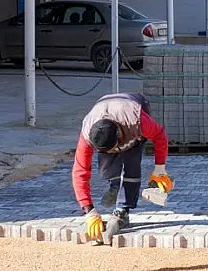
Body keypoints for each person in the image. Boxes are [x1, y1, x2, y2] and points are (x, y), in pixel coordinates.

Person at [72, 92, 172, 245]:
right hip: (105, 108)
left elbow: (160, 135)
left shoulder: (138, 121)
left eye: (113, 148)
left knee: (131, 164)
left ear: (118, 137)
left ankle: (123, 210)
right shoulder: (87, 134)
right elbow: (80, 171)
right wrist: (88, 211)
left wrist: (159, 169)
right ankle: (114, 183)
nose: (113, 152)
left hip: (133, 111)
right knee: (106, 166)